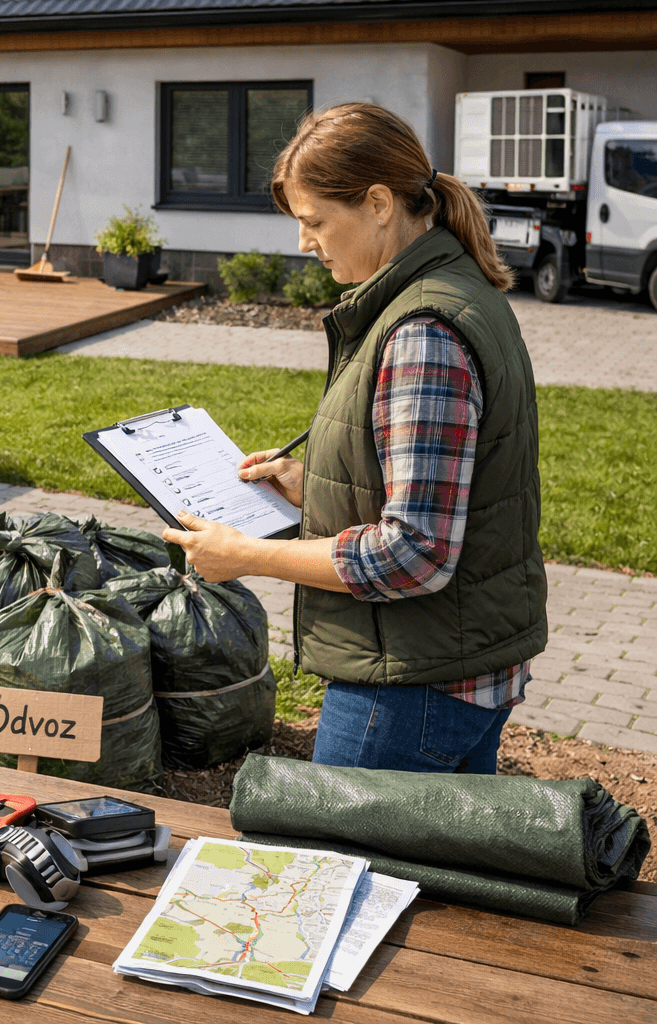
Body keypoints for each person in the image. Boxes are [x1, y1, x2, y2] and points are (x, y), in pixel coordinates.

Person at [162, 102, 547, 775]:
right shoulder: (451, 290)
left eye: (315, 222)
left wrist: (249, 556)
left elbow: (416, 552)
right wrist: (308, 485)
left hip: (410, 685)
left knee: (331, 844)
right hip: (453, 666)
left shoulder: (422, 332)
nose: (304, 242)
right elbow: (444, 487)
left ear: (377, 203)